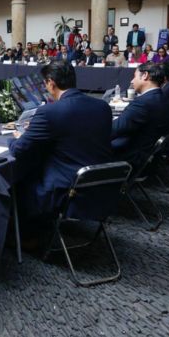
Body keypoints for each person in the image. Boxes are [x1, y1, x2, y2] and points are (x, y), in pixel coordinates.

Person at [9, 62, 113, 220]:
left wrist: (16, 138)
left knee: (16, 180)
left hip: (65, 187)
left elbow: (19, 149)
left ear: (51, 83)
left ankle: (25, 230)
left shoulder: (48, 111)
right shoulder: (102, 106)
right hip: (100, 185)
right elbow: (76, 130)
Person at [111, 62, 169, 166]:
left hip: (130, 156)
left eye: (134, 76)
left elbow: (115, 129)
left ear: (145, 75)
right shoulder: (164, 98)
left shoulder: (142, 103)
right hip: (148, 153)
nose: (132, 81)